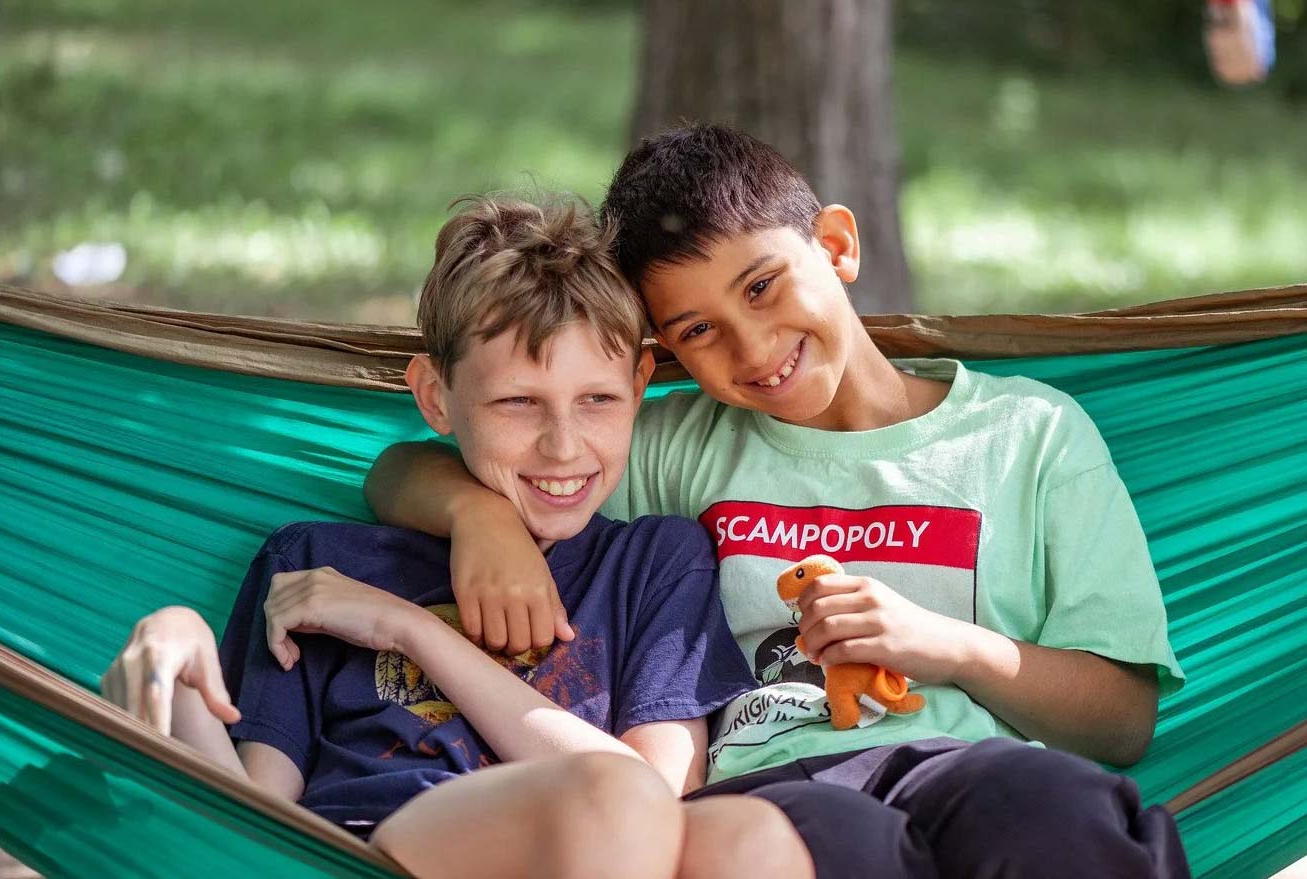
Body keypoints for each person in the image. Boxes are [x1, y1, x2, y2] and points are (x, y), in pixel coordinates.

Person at [364, 126, 1192, 877]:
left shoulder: (1029, 435)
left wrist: (947, 647)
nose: (752, 349)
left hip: (971, 763)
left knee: (1059, 811)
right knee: (849, 847)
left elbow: (1120, 722)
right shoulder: (677, 445)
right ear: (665, 352)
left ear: (835, 245)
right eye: (697, 331)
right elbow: (402, 468)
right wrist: (480, 517)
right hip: (769, 788)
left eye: (761, 287)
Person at [100, 194, 815, 879]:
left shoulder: (654, 562)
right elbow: (253, 820)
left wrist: (412, 631)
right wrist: (178, 649)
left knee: (751, 836)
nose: (562, 447)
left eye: (596, 399)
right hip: (373, 848)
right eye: (516, 403)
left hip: (607, 841)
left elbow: (661, 791)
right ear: (435, 398)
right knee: (612, 795)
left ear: (637, 383)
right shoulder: (317, 568)